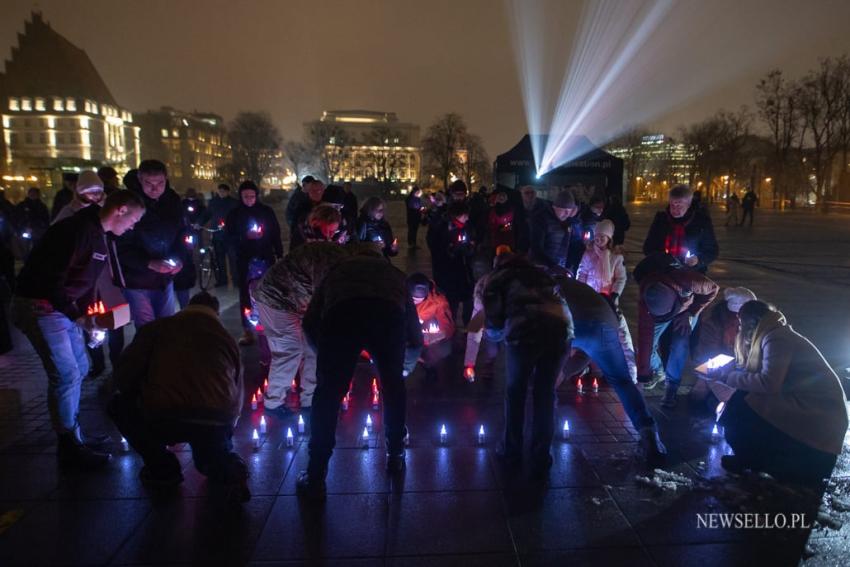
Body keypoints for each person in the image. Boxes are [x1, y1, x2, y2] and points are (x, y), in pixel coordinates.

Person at [12, 190, 146, 470]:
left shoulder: (97, 233)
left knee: (80, 368)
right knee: (65, 373)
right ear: (120, 210)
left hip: (60, 309)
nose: (133, 226)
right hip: (42, 307)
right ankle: (68, 445)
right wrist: (79, 317)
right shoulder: (76, 230)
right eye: (133, 219)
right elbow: (51, 279)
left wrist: (86, 317)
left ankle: (74, 436)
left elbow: (85, 281)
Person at [296, 250, 423, 501]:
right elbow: (414, 333)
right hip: (387, 317)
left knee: (328, 394)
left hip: (343, 315)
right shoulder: (394, 274)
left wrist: (327, 357)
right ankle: (395, 454)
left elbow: (310, 321)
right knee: (393, 387)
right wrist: (404, 367)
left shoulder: (336, 272)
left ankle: (316, 472)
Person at [108, 291, 249, 500]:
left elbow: (124, 375)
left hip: (165, 414)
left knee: (118, 405)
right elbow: (237, 387)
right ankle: (223, 464)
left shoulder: (155, 329)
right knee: (209, 461)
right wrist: (228, 424)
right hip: (215, 418)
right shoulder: (225, 337)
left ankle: (162, 469)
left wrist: (143, 391)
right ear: (216, 313)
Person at [705, 301, 847, 483]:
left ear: (750, 323)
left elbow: (768, 383)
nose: (740, 330)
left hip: (819, 415)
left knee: (740, 404)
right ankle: (751, 457)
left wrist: (727, 377)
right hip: (807, 405)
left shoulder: (776, 338)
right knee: (743, 400)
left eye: (741, 324)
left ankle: (749, 458)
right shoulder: (774, 333)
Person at [555, 275, 667, 463]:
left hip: (566, 321)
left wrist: (557, 374)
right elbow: (587, 352)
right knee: (622, 381)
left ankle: (540, 436)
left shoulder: (547, 283)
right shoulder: (595, 299)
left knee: (544, 378)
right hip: (603, 326)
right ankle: (649, 434)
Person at [482, 253, 572, 474]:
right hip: (561, 333)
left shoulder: (496, 279)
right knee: (545, 393)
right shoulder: (542, 274)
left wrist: (493, 338)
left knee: (516, 391)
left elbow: (493, 324)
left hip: (524, 334)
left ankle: (511, 450)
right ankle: (541, 454)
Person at [254, 240, 350, 419]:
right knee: (290, 349)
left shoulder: (338, 261)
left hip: (299, 303)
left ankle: (310, 401)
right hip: (276, 299)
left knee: (312, 348)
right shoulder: (329, 260)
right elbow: (323, 292)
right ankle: (273, 403)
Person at [636, 254, 719, 407]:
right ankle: (658, 371)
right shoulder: (646, 303)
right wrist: (642, 378)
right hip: (663, 307)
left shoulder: (689, 280)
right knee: (649, 342)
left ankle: (671, 388)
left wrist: (692, 312)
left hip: (686, 309)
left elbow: (713, 289)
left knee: (680, 343)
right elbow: (644, 341)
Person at [115, 160, 184, 328]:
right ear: (139, 179)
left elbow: (180, 234)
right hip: (137, 279)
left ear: (166, 178)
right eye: (149, 183)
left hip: (165, 277)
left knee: (167, 324)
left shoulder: (172, 200)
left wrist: (179, 257)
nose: (155, 188)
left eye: (160, 183)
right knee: (147, 328)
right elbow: (120, 245)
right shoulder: (127, 203)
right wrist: (149, 263)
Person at [576, 219, 636, 381]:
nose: (599, 239)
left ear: (609, 238)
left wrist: (615, 294)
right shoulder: (588, 254)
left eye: (603, 236)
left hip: (608, 301)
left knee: (620, 334)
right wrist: (580, 292)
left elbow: (620, 278)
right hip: (590, 299)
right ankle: (583, 366)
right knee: (587, 333)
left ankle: (629, 373)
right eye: (597, 236)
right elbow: (581, 273)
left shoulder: (615, 257)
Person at [225, 180, 283, 345]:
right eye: (246, 196)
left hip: (265, 257)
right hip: (245, 260)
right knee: (246, 295)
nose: (249, 199)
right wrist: (245, 237)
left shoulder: (266, 211)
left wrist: (279, 253)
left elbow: (275, 233)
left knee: (268, 292)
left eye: (252, 196)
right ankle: (248, 330)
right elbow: (229, 238)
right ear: (240, 196)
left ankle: (270, 327)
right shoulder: (234, 214)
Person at [689, 287, 757, 409]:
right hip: (719, 367)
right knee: (706, 398)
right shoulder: (714, 325)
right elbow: (707, 357)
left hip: (742, 368)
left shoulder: (753, 324)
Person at [643, 184, 718, 273]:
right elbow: (648, 247)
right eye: (672, 205)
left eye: (679, 206)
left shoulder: (701, 221)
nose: (675, 210)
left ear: (689, 204)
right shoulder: (661, 219)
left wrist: (698, 260)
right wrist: (661, 258)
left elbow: (712, 250)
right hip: (663, 272)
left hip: (691, 274)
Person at [427, 201, 476, 325]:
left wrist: (469, 248)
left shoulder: (466, 227)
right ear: (457, 215)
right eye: (465, 215)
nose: (468, 218)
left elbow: (471, 244)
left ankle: (468, 326)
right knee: (451, 303)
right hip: (449, 274)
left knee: (469, 299)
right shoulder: (443, 228)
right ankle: (451, 328)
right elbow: (437, 250)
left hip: (464, 272)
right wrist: (452, 250)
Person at [407, 273, 455, 381]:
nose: (415, 303)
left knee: (443, 348)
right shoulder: (398, 295)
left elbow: (448, 326)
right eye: (413, 299)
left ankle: (428, 365)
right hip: (403, 335)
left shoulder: (437, 301)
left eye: (418, 300)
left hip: (424, 337)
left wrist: (438, 336)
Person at [530, 190, 585, 277]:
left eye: (569, 210)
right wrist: (554, 266)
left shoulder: (567, 222)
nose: (567, 214)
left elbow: (576, 242)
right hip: (541, 270)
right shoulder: (541, 219)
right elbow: (536, 249)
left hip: (558, 270)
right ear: (555, 207)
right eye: (564, 210)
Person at [205, 183, 239, 287]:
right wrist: (199, 223)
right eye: (220, 191)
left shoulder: (234, 203)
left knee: (233, 258)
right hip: (217, 235)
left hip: (230, 235)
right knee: (219, 259)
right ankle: (222, 280)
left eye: (223, 191)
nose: (221, 193)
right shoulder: (213, 202)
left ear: (228, 192)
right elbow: (207, 214)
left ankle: (236, 280)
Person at [289, 177, 325, 251]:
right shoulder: (302, 207)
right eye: (314, 190)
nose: (317, 193)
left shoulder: (327, 207)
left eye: (320, 190)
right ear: (309, 191)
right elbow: (295, 226)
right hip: (304, 246)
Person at [14, 186, 50, 253]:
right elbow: (17, 217)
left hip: (37, 230)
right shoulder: (22, 205)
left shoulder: (41, 206)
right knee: (26, 248)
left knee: (37, 247)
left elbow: (45, 218)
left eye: (35, 193)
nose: (33, 195)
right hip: (25, 229)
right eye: (31, 193)